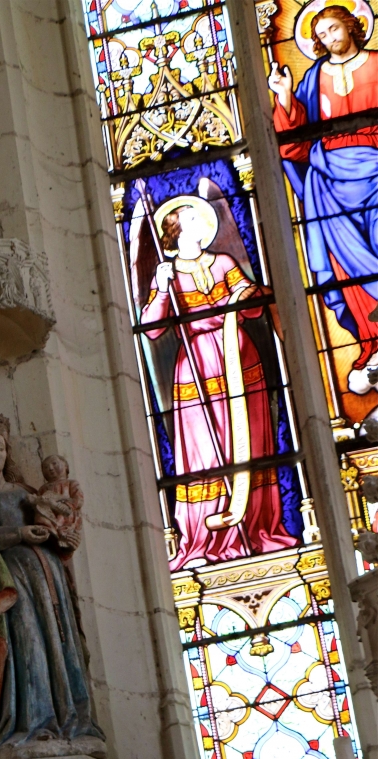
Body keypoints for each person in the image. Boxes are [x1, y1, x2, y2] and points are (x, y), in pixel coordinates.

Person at [141, 196, 298, 570]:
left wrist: (243, 295)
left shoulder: (224, 263)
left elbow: (253, 302)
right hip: (196, 367)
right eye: (192, 218)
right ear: (175, 228)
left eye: (200, 217)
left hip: (238, 360)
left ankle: (258, 526)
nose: (200, 223)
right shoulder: (167, 272)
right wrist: (162, 289)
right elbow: (152, 328)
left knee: (250, 444)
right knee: (204, 454)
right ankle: (205, 536)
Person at [0, 412, 103, 757]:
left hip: (48, 579)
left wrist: (58, 534)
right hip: (11, 585)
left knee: (58, 645)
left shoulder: (25, 492)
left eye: (0, 448)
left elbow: (48, 520)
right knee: (26, 644)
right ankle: (33, 722)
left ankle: (71, 719)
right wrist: (18, 534)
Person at [269, 2, 378, 393]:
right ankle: (372, 346)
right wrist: (284, 97)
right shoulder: (314, 77)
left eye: (334, 29)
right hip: (329, 185)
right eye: (322, 35)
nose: (329, 39)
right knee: (349, 274)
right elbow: (296, 138)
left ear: (352, 25)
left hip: (377, 173)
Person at [33, 454, 84, 550]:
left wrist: (63, 505)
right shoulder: (44, 488)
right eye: (46, 467)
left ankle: (62, 534)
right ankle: (46, 529)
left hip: (65, 513)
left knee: (62, 518)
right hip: (48, 514)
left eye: (54, 463)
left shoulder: (71, 483)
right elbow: (39, 502)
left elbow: (79, 500)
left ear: (65, 466)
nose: (50, 468)